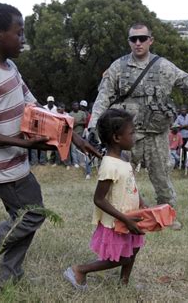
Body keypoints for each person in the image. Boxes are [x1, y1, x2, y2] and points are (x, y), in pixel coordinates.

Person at [0, 3, 99, 292]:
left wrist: (69, 135)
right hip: (2, 165)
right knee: (32, 215)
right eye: (19, 33)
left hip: (15, 160)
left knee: (26, 215)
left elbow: (35, 107)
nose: (24, 39)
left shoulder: (10, 68)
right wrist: (22, 143)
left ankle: (10, 275)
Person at [88, 22, 188, 229]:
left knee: (162, 176)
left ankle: (167, 216)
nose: (137, 43)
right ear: (129, 41)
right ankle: (122, 215)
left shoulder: (164, 67)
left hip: (156, 133)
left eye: (142, 38)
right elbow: (103, 96)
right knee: (120, 176)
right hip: (127, 135)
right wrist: (93, 126)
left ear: (150, 40)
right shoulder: (118, 67)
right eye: (133, 39)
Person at [64, 109, 146, 290]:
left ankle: (124, 283)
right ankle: (80, 270)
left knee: (134, 249)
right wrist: (124, 219)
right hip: (117, 221)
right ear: (117, 138)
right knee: (123, 256)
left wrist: (141, 202)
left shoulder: (124, 157)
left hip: (130, 216)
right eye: (131, 133)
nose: (134, 136)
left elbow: (130, 182)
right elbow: (99, 199)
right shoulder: (109, 164)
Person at [69, 101, 88, 168]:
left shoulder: (82, 113)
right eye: (75, 105)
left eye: (77, 105)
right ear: (72, 106)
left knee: (80, 148)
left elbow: (85, 121)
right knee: (73, 149)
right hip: (73, 134)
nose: (76, 106)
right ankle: (75, 162)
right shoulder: (70, 114)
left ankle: (81, 162)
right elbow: (69, 124)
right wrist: (73, 124)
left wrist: (77, 123)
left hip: (81, 133)